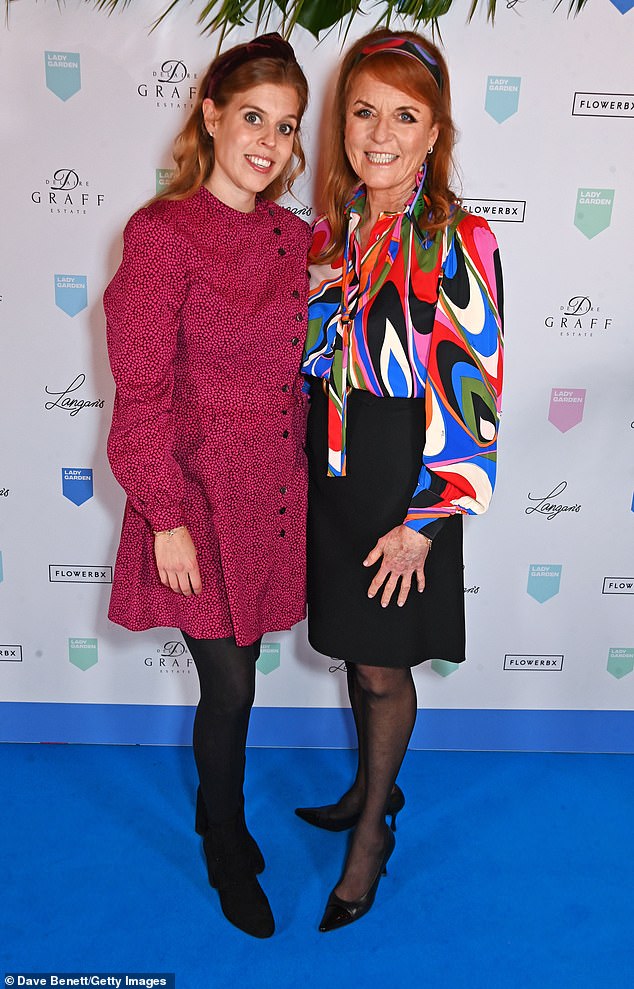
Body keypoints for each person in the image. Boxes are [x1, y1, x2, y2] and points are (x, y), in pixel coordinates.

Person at [104, 33, 311, 939]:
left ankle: (213, 815)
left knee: (244, 680)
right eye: (255, 117)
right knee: (228, 688)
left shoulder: (296, 236)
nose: (269, 142)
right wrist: (166, 519)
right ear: (213, 114)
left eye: (288, 127)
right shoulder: (160, 236)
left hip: (276, 494)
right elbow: (140, 393)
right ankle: (224, 841)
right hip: (196, 502)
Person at [297, 29, 504, 931]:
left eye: (405, 116)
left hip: (403, 472)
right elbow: (314, 360)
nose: (380, 133)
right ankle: (368, 787)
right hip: (333, 459)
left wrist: (426, 517)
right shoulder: (335, 229)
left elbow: (474, 388)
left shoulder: (460, 236)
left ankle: (374, 831)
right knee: (355, 647)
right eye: (364, 111)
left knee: (383, 668)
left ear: (434, 133)